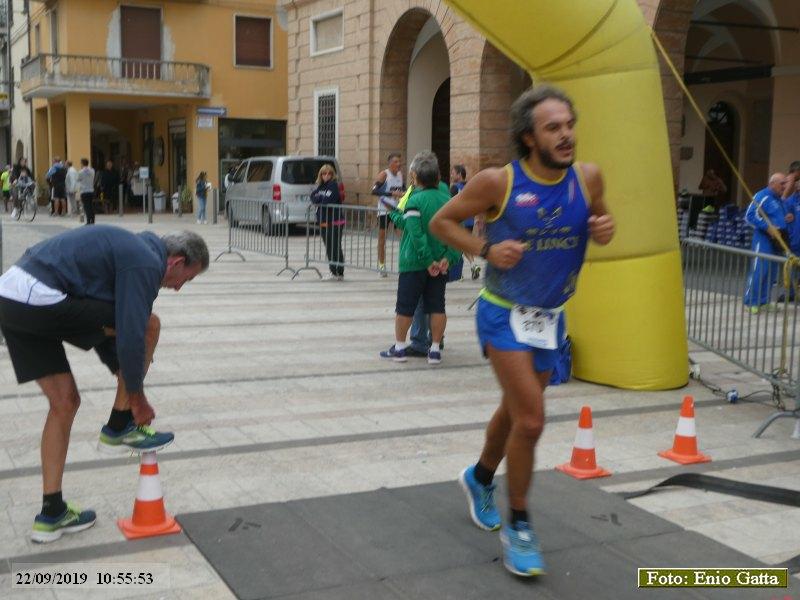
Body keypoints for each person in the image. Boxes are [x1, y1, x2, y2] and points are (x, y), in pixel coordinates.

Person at [430, 84, 615, 577]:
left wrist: (604, 227)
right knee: (531, 421)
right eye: (553, 128)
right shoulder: (499, 182)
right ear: (529, 137)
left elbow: (600, 219)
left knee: (515, 412)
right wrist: (486, 249)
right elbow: (442, 222)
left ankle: (480, 477)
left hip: (549, 317)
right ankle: (520, 525)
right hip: (503, 312)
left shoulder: (588, 178)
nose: (566, 135)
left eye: (569, 125)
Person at [0, 226, 208, 543]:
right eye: (186, 279)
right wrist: (137, 399)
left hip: (11, 298)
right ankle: (120, 424)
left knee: (65, 403)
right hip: (39, 296)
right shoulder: (145, 262)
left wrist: (120, 369)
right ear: (176, 262)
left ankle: (51, 513)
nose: (179, 288)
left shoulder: (130, 250)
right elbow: (130, 332)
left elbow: (102, 322)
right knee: (149, 325)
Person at [379, 151, 460, 365]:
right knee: (437, 306)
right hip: (441, 264)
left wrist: (427, 261)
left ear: (415, 176)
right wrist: (448, 258)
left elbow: (416, 234)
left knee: (405, 307)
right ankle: (434, 350)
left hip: (415, 263)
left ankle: (399, 348)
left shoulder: (415, 200)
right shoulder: (449, 200)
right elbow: (456, 233)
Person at [744, 173, 788, 313]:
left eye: (785, 183)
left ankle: (763, 301)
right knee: (760, 270)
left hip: (777, 241)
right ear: (772, 183)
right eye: (782, 183)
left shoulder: (779, 199)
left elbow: (777, 217)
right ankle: (751, 302)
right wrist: (767, 227)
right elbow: (750, 215)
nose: (785, 186)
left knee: (771, 272)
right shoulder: (762, 196)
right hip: (763, 240)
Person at [372, 153, 404, 277]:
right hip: (384, 210)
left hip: (396, 209)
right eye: (396, 162)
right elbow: (374, 191)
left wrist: (404, 193)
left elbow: (403, 189)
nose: (399, 164)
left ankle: (403, 265)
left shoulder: (400, 175)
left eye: (399, 161)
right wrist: (392, 194)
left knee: (403, 237)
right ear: (390, 164)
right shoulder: (384, 174)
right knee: (382, 239)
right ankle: (381, 265)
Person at [311, 164, 345, 281]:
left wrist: (319, 199)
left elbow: (327, 200)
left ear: (332, 175)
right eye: (324, 173)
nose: (326, 176)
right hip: (324, 222)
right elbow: (313, 196)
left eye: (329, 173)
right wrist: (319, 198)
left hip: (335, 222)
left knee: (335, 247)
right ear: (320, 175)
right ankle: (333, 271)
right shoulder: (321, 186)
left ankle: (338, 272)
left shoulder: (333, 185)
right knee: (329, 247)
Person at [77, 159, 96, 225]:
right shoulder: (92, 170)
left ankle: (88, 220)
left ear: (82, 163)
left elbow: (78, 179)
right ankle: (92, 220)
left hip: (84, 191)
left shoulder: (80, 172)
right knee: (91, 206)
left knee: (86, 206)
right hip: (91, 190)